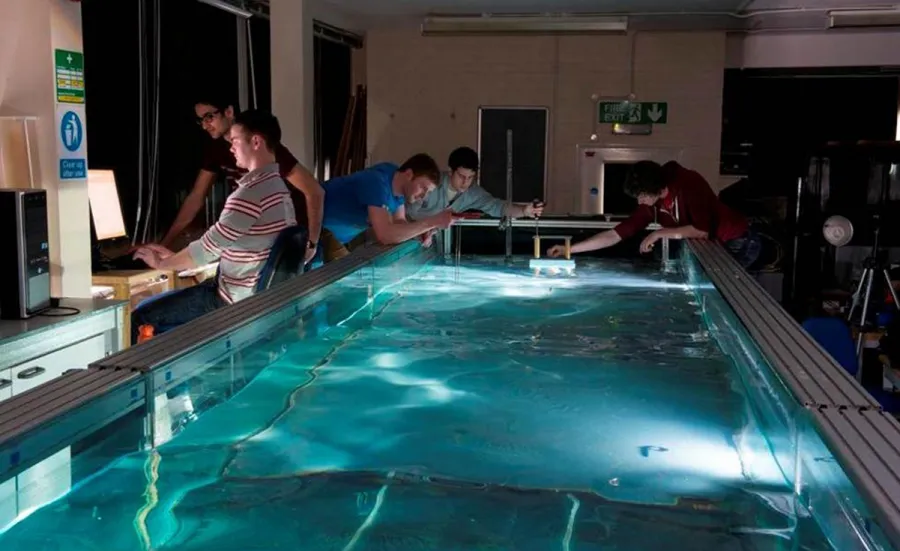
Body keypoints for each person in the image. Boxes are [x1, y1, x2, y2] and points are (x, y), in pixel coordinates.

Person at [130, 110, 297, 344]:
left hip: (229, 300)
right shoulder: (279, 189)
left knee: (141, 316)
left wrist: (162, 264)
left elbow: (205, 250)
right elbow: (242, 246)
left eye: (235, 141)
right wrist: (177, 257)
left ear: (256, 141)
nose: (230, 148)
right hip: (252, 294)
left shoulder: (249, 195)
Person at [157, 98, 322, 264]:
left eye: (209, 117)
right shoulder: (216, 149)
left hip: (290, 235)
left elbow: (314, 191)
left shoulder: (266, 151)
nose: (205, 126)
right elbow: (196, 197)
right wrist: (165, 244)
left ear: (228, 112)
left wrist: (311, 243)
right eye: (201, 120)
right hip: (258, 239)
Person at [549, 160, 761, 268]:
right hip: (713, 244)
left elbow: (701, 229)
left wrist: (658, 234)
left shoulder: (689, 184)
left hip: (738, 239)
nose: (639, 201)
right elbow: (616, 234)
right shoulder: (651, 204)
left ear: (656, 188)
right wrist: (569, 249)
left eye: (641, 195)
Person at [320, 153, 453, 261]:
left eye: (428, 192)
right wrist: (433, 221)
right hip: (316, 231)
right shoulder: (377, 183)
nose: (423, 196)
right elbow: (385, 235)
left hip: (334, 240)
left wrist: (419, 232)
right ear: (408, 174)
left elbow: (399, 222)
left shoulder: (397, 182)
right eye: (423, 188)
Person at [406, 146, 544, 223]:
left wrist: (524, 211)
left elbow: (498, 207)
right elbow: (410, 212)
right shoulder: (430, 184)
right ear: (450, 171)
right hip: (406, 235)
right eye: (461, 176)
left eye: (470, 177)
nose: (465, 182)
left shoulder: (473, 193)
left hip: (432, 242)